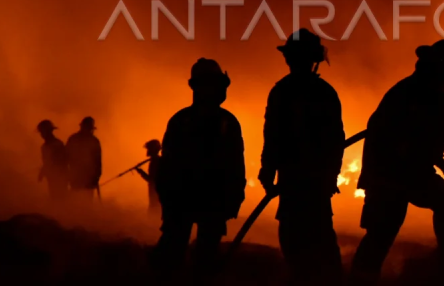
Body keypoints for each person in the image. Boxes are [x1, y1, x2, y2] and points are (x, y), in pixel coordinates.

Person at [351, 40, 444, 282]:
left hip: (415, 171)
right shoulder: (404, 94)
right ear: (436, 70)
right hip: (387, 174)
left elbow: (429, 141)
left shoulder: (436, 95)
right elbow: (396, 140)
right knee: (382, 232)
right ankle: (360, 279)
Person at [259, 29, 345, 285]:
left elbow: (272, 135)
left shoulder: (281, 91)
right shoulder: (325, 92)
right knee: (319, 235)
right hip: (312, 179)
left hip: (296, 178)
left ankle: (307, 276)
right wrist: (331, 175)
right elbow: (336, 140)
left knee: (295, 234)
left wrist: (268, 170)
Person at [153, 58, 246, 275]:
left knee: (204, 260)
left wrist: (234, 198)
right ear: (198, 87)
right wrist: (168, 199)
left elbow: (235, 165)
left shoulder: (225, 122)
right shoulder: (183, 121)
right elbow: (167, 166)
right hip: (183, 201)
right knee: (174, 256)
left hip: (210, 203)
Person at [66, 116, 103, 199]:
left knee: (83, 201)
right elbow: (66, 157)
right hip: (77, 177)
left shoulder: (74, 139)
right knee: (78, 201)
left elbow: (98, 162)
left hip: (86, 178)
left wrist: (96, 177)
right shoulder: (92, 141)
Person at [37, 120, 68, 200]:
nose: (41, 134)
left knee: (60, 199)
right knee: (54, 198)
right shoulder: (44, 146)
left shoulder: (57, 145)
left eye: (42, 132)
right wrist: (42, 172)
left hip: (60, 178)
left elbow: (62, 162)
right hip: (52, 178)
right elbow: (47, 162)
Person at [136, 139, 162, 215]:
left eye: (149, 149)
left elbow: (151, 180)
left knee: (154, 211)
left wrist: (140, 172)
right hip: (156, 192)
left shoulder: (155, 162)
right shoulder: (156, 161)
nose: (147, 151)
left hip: (156, 192)